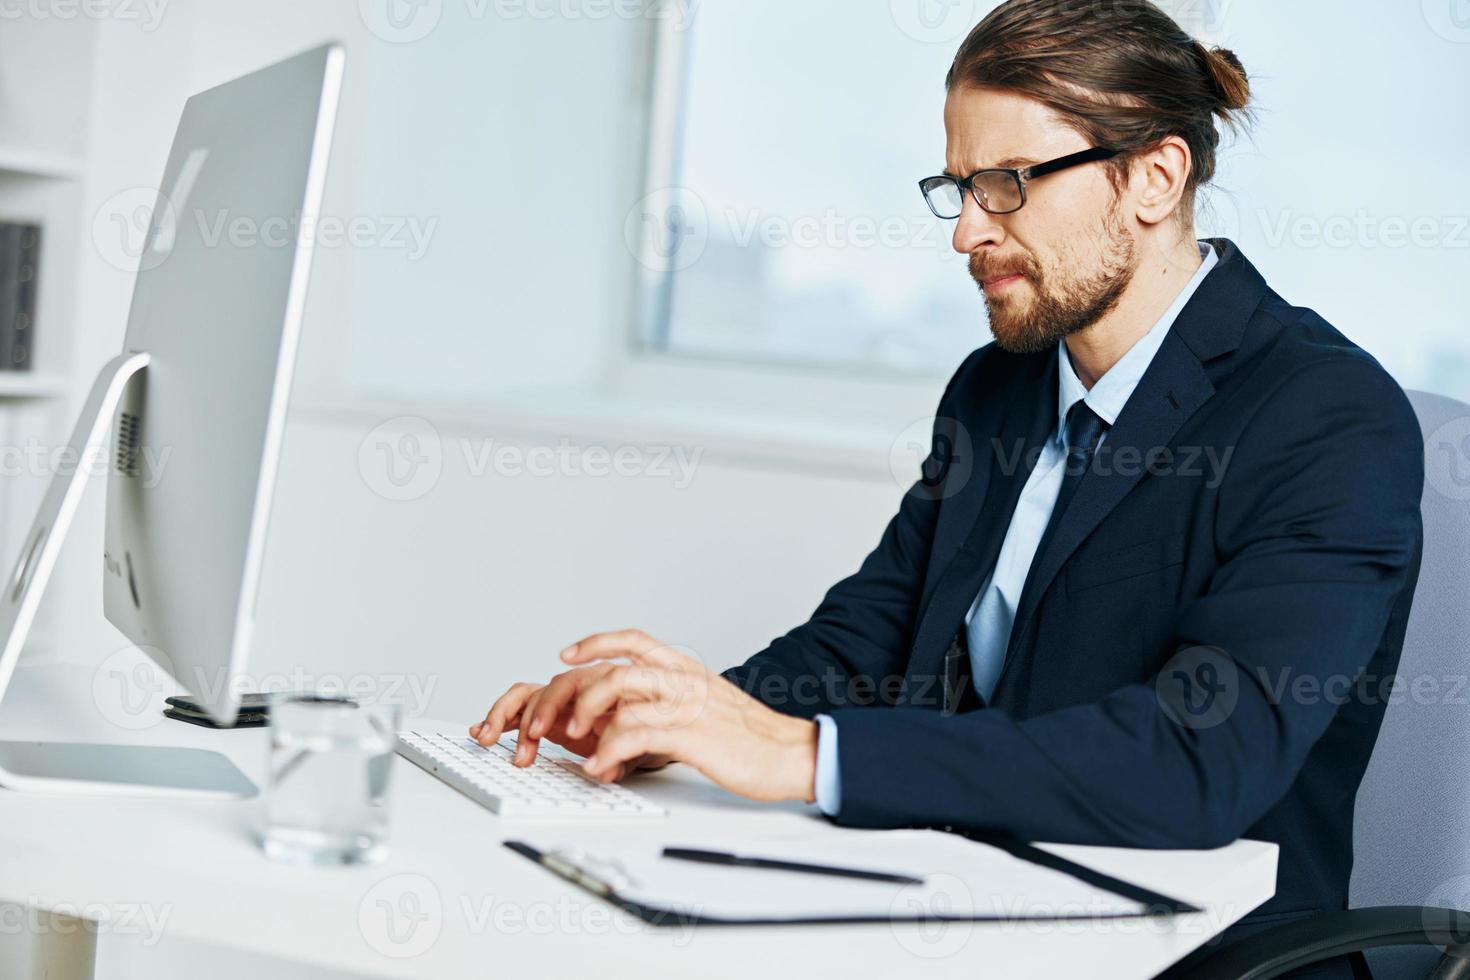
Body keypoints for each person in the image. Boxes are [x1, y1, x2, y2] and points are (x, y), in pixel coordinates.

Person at [472, 2, 1423, 974]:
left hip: (1181, 948)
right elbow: (869, 639)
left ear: (1154, 177)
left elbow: (1196, 760)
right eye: (960, 185)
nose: (968, 229)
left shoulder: (1326, 417)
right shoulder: (997, 386)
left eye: (1008, 184)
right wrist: (681, 711)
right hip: (962, 905)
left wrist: (801, 755)